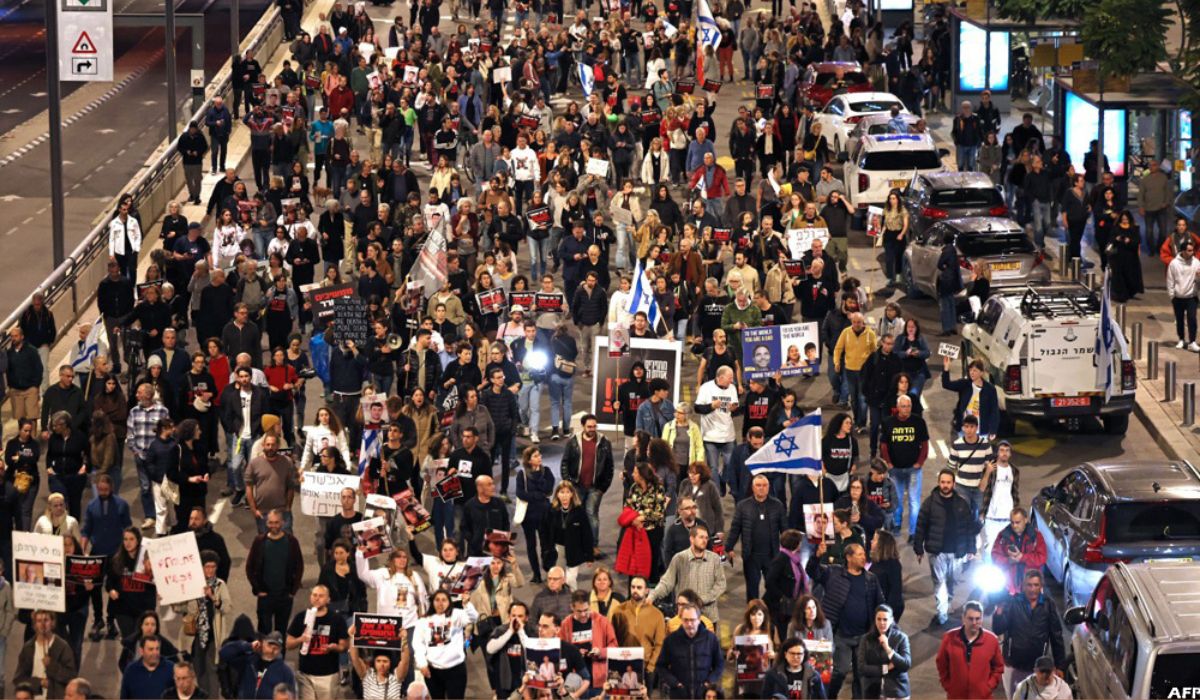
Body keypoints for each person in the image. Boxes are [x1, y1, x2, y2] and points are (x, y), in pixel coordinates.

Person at [804, 543, 883, 698]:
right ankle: (829, 696)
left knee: (861, 674)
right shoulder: (833, 573)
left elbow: (880, 604)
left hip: (863, 636)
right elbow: (812, 571)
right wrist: (816, 556)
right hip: (841, 635)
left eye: (863, 554)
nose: (863, 557)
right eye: (859, 554)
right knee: (839, 671)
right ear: (848, 557)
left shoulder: (871, 579)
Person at [914, 469, 979, 627]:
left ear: (953, 484)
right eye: (943, 482)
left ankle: (947, 602)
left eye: (948, 482)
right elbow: (921, 526)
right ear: (939, 483)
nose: (945, 485)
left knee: (952, 581)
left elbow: (969, 528)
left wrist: (972, 549)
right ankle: (942, 613)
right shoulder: (929, 503)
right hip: (937, 553)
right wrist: (918, 548)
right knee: (939, 584)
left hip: (957, 553)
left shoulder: (962, 504)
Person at [992, 569, 1066, 697]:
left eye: (1036, 585)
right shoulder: (1013, 602)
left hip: (1037, 666)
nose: (1032, 589)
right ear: (1023, 586)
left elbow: (1056, 636)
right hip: (1014, 664)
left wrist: (1060, 665)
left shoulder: (1048, 605)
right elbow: (998, 629)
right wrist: (999, 611)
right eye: (1029, 585)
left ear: (1041, 586)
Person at [560, 414, 614, 557]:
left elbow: (610, 467)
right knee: (576, 516)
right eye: (589, 426)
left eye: (594, 426)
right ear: (583, 426)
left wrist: (603, 488)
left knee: (592, 515)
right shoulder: (573, 442)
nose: (592, 429)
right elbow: (565, 463)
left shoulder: (604, 442)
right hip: (576, 486)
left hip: (595, 487)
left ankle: (593, 546)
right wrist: (568, 484)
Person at [727, 474, 786, 601]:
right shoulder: (743, 506)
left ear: (769, 487)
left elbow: (785, 530)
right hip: (751, 555)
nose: (761, 488)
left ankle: (771, 615)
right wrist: (729, 547)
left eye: (764, 485)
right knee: (752, 590)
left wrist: (789, 551)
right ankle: (752, 616)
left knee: (773, 588)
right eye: (758, 485)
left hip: (772, 555)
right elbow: (735, 528)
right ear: (753, 487)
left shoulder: (777, 505)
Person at [285, 585, 350, 700]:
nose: (317, 598)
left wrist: (334, 648)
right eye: (314, 595)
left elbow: (344, 646)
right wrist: (300, 639)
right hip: (305, 674)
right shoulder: (301, 617)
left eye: (321, 596)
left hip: (328, 675)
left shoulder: (336, 619)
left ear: (328, 599)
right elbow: (288, 644)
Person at [246, 509, 305, 636]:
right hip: (265, 596)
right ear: (267, 523)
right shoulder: (259, 541)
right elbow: (250, 567)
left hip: (284, 595)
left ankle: (280, 655)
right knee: (263, 631)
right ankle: (263, 656)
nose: (274, 526)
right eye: (271, 523)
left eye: (276, 522)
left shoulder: (292, 542)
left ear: (283, 523)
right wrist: (257, 589)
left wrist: (292, 591)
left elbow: (299, 566)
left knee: (281, 632)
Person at [651, 523, 726, 622]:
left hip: (708, 617)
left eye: (706, 538)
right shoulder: (679, 558)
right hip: (685, 617)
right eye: (701, 537)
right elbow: (667, 582)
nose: (704, 541)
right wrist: (652, 596)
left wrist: (703, 599)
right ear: (692, 538)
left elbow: (721, 584)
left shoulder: (714, 559)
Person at [412, 590, 478, 699]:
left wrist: (467, 604)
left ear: (449, 602)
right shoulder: (423, 621)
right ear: (432, 602)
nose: (440, 603)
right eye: (437, 600)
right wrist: (422, 664)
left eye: (444, 600)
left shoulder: (457, 615)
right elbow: (418, 644)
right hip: (433, 671)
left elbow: (474, 618)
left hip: (455, 669)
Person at [879, 395, 929, 536]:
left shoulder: (919, 422)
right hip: (895, 470)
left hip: (913, 470)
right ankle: (897, 524)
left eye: (908, 406)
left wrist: (920, 462)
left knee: (914, 501)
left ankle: (913, 531)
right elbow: (884, 445)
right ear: (897, 407)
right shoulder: (888, 422)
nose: (906, 409)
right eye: (903, 406)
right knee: (897, 500)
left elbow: (924, 444)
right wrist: (888, 462)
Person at [935, 601, 1004, 700]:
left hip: (983, 696)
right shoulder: (949, 638)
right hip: (956, 696)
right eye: (970, 619)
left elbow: (998, 667)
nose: (974, 622)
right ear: (963, 618)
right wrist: (948, 685)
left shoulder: (991, 640)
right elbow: (941, 664)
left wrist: (988, 686)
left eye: (978, 618)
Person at [656, 603, 723, 699]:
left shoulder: (710, 639)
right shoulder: (671, 640)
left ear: (699, 620)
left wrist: (708, 682)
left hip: (703, 694)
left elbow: (719, 664)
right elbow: (661, 666)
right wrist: (675, 683)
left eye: (692, 620)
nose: (689, 624)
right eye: (685, 620)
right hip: (679, 695)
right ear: (681, 620)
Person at [694, 366, 739, 495]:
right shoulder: (706, 388)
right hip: (710, 436)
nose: (732, 381)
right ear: (720, 377)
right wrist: (711, 406)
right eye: (730, 378)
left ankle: (722, 479)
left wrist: (734, 407)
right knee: (712, 467)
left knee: (730, 465)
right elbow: (697, 409)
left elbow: (735, 405)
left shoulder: (732, 388)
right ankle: (716, 493)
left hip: (728, 435)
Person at [559, 589, 619, 685]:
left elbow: (614, 647)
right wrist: (574, 655)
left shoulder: (602, 621)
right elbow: (560, 651)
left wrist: (600, 652)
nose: (583, 615)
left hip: (599, 679)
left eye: (586, 610)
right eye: (579, 611)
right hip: (575, 681)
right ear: (572, 607)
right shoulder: (565, 625)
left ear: (590, 606)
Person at [219, 630, 297, 699]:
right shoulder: (249, 661)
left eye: (276, 647)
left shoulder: (285, 672)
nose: (273, 649)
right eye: (270, 645)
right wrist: (248, 646)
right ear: (262, 644)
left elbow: (291, 696)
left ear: (280, 650)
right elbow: (224, 653)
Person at [515, 446, 555, 583]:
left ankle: (548, 568)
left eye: (539, 455)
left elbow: (548, 489)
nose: (540, 458)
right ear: (529, 460)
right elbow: (520, 493)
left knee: (547, 543)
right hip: (529, 516)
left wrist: (539, 477)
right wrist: (538, 495)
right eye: (536, 456)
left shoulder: (546, 471)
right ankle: (536, 574)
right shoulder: (522, 474)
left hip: (545, 514)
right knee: (531, 545)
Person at [833, 312, 878, 430]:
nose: (856, 324)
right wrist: (837, 362)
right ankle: (856, 420)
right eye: (854, 322)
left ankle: (862, 423)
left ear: (863, 322)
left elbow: (874, 352)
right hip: (850, 371)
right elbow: (838, 348)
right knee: (853, 399)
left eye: (859, 322)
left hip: (865, 372)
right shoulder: (846, 333)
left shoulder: (870, 334)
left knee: (863, 398)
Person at [856, 604, 911, 700]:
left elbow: (905, 664)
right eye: (879, 619)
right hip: (872, 690)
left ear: (891, 620)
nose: (882, 623)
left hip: (897, 690)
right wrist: (886, 668)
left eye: (885, 619)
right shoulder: (866, 639)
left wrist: (887, 648)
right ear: (875, 619)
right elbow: (861, 668)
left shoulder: (901, 638)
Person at [979, 441, 1021, 554]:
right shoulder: (991, 468)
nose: (1004, 453)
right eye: (1002, 450)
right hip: (992, 517)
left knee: (1007, 550)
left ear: (1010, 454)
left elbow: (1015, 494)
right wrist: (987, 472)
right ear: (997, 452)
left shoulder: (1014, 471)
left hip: (1008, 518)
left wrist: (1017, 514)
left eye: (1007, 451)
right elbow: (982, 488)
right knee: (990, 550)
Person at [948, 414, 991, 519]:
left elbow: (990, 466)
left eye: (972, 427)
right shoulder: (957, 445)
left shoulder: (985, 445)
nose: (969, 430)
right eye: (966, 427)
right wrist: (952, 485)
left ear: (976, 428)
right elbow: (951, 467)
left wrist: (984, 481)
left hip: (978, 487)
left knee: (977, 518)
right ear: (963, 428)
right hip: (961, 486)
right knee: (962, 516)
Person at [761, 637, 828, 699]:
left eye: (799, 654)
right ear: (785, 654)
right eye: (792, 653)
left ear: (804, 655)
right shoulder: (772, 675)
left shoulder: (814, 676)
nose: (795, 657)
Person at [1168, 239, 1200, 351]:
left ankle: (1192, 341)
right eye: (1189, 251)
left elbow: (1198, 281)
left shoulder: (1196, 263)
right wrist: (1172, 295)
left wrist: (1198, 276)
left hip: (1191, 297)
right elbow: (1170, 280)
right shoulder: (1174, 263)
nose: (1192, 252)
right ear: (1183, 251)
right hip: (1178, 297)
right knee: (1179, 319)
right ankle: (1181, 339)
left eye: (1192, 250)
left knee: (1192, 319)